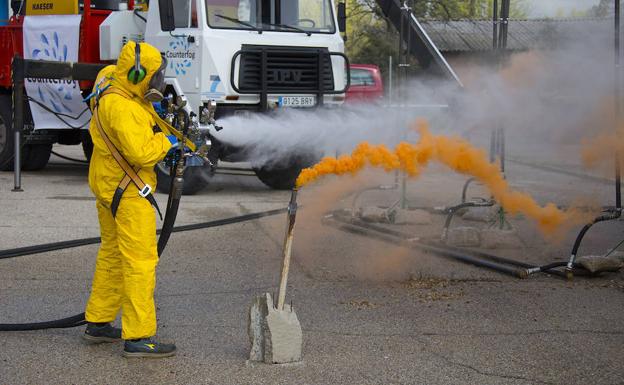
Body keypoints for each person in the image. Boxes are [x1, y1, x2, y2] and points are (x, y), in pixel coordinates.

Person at [82, 41, 178, 358]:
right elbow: (142, 153)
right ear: (137, 74)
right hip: (128, 189)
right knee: (140, 261)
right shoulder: (122, 109)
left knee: (112, 253)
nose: (158, 83)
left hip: (107, 183)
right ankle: (139, 337)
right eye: (154, 77)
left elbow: (134, 101)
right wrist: (167, 140)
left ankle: (97, 321)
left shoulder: (110, 77)